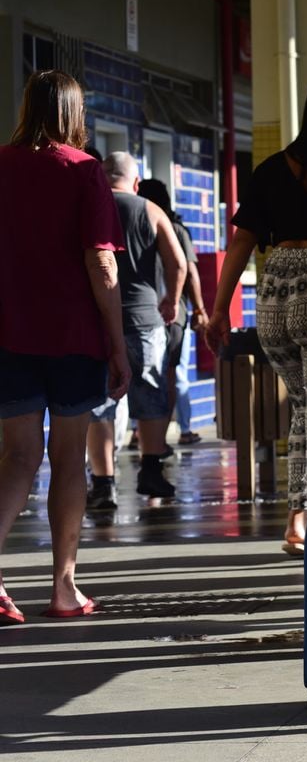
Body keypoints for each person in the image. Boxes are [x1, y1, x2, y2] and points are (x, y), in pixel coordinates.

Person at [207, 75, 307, 557]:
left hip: (275, 293)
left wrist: (218, 311)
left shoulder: (273, 167)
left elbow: (241, 242)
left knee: (304, 409)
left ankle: (297, 520)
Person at [0, 70, 131, 622]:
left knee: (18, 456)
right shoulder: (83, 171)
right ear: (74, 114)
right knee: (68, 457)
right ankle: (63, 588)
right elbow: (101, 261)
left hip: (8, 337)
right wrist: (119, 344)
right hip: (74, 338)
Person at [86, 152, 186, 509]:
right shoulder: (149, 209)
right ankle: (151, 471)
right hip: (144, 319)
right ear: (136, 182)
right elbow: (178, 261)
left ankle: (103, 484)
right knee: (152, 394)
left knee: (100, 404)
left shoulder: (89, 207)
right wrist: (171, 301)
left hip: (96, 320)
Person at [138, 178, 208, 446]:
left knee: (144, 377)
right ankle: (158, 441)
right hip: (173, 315)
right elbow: (189, 272)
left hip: (140, 313)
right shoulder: (176, 229)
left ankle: (143, 434)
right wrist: (200, 309)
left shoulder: (133, 227)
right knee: (167, 377)